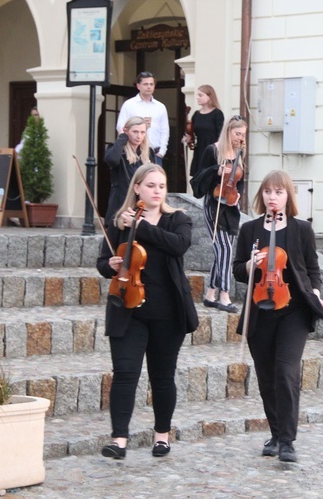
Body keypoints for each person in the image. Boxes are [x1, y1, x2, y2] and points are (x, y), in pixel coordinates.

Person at [96, 163, 198, 460]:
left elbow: (178, 246)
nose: (156, 191)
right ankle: (119, 440)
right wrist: (111, 265)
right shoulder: (120, 222)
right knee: (125, 374)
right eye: (150, 185)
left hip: (168, 313)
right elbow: (103, 262)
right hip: (127, 308)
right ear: (137, 188)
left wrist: (142, 228)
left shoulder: (178, 219)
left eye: (161, 186)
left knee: (162, 377)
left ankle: (162, 436)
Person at [232, 170, 323, 463]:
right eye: (268, 192)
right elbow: (237, 270)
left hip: (294, 310)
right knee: (266, 376)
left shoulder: (301, 230)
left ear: (288, 196)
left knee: (286, 372)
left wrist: (317, 293)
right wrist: (251, 265)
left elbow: (312, 269)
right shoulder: (250, 230)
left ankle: (287, 440)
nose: (272, 197)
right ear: (261, 196)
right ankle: (275, 433)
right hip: (260, 308)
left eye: (278, 192)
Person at [191, 115, 247, 312]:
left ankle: (210, 294)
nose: (240, 138)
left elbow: (240, 182)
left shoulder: (240, 153)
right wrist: (216, 170)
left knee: (223, 250)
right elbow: (198, 179)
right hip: (214, 203)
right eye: (237, 134)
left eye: (242, 135)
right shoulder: (212, 150)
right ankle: (225, 294)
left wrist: (238, 195)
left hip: (231, 205)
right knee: (225, 250)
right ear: (228, 131)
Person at [103, 116, 155, 225]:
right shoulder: (118, 150)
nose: (139, 136)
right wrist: (122, 137)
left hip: (141, 204)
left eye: (142, 132)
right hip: (121, 203)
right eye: (135, 132)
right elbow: (111, 160)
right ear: (126, 131)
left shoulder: (148, 153)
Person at [116, 72, 169, 166]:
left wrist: (162, 151)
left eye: (151, 84)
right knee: (135, 180)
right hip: (134, 152)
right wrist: (128, 149)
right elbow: (121, 127)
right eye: (145, 84)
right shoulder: (129, 104)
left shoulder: (160, 107)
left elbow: (165, 130)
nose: (149, 87)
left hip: (155, 153)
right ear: (138, 86)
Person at [185, 85, 225, 178]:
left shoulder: (217, 114)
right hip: (199, 151)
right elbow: (192, 133)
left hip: (213, 150)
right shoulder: (196, 115)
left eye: (200, 95)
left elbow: (221, 135)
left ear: (209, 97)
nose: (197, 98)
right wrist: (188, 138)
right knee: (198, 179)